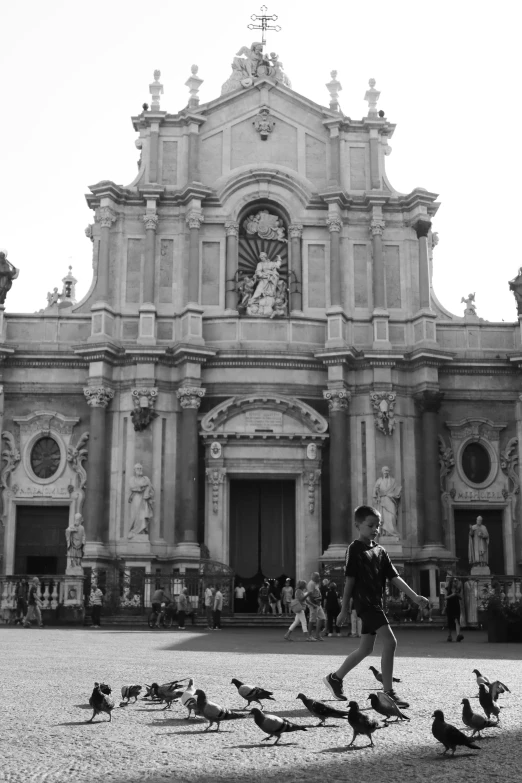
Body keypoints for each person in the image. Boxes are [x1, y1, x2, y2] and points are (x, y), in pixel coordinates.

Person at [323, 505, 429, 707]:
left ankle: (335, 679)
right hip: (366, 604)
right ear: (357, 525)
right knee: (390, 642)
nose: (375, 529)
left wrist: (415, 597)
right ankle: (387, 693)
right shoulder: (354, 549)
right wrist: (344, 609)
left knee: (365, 648)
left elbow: (394, 577)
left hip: (376, 604)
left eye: (378, 525)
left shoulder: (380, 551)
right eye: (370, 525)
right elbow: (350, 581)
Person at [372, 466, 401, 537]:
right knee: (383, 517)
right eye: (385, 471)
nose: (386, 472)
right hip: (382, 501)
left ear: (389, 472)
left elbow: (397, 491)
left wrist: (393, 494)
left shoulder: (393, 481)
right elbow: (375, 491)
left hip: (391, 500)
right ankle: (385, 533)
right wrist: (377, 496)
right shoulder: (379, 481)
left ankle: (392, 532)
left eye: (387, 471)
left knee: (392, 516)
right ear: (382, 472)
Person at [128, 463, 154, 539]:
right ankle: (134, 531)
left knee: (142, 516)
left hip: (144, 500)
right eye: (138, 468)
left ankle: (142, 531)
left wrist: (148, 495)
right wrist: (143, 486)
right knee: (135, 516)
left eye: (140, 468)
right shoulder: (132, 479)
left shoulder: (146, 479)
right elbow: (132, 487)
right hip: (136, 499)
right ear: (134, 470)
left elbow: (151, 489)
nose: (139, 470)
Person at [306, 572, 326, 641]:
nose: (319, 578)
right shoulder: (311, 584)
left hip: (318, 604)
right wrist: (314, 603)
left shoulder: (315, 584)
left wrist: (319, 598)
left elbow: (317, 593)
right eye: (318, 577)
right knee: (312, 620)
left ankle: (317, 635)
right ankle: (309, 636)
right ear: (314, 577)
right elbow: (310, 595)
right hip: (313, 604)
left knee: (322, 618)